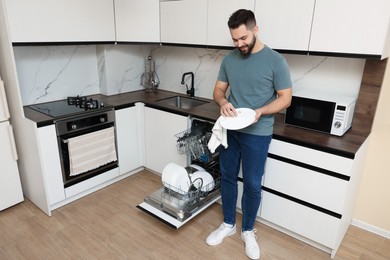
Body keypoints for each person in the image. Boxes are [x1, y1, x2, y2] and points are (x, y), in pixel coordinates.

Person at [205, 9, 292, 260]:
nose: (239, 44)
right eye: (234, 39)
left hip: (258, 132)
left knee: (253, 183)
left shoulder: (276, 61)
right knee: (229, 177)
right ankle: (229, 224)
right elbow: (218, 91)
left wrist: (262, 111)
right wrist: (222, 102)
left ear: (255, 30)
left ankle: (248, 230)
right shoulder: (229, 60)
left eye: (243, 38)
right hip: (231, 130)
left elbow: (286, 98)